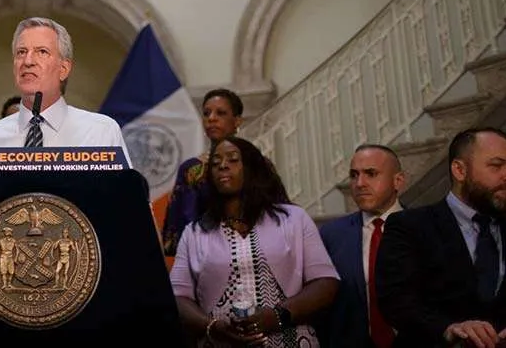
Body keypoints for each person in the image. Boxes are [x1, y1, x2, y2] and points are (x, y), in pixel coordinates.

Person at [171, 136, 339, 347]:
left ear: (252, 168)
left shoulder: (294, 219)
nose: (223, 165)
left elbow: (326, 283)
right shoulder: (194, 232)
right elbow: (178, 297)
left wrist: (276, 316)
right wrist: (212, 326)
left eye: (233, 159)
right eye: (215, 163)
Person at [376, 127, 506, 348]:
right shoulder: (409, 226)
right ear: (459, 170)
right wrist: (448, 329)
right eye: (496, 165)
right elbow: (396, 301)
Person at [0, 17, 131, 164]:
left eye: (42, 52)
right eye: (21, 52)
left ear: (64, 69)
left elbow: (123, 196)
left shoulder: (100, 132)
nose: (28, 61)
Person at [318, 145, 405, 348]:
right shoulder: (331, 235)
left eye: (371, 174)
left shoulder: (424, 228)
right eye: (353, 175)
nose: (360, 183)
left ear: (398, 181)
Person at [161, 88, 244, 257]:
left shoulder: (257, 165)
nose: (211, 118)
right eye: (206, 113)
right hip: (204, 259)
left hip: (253, 253)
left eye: (220, 113)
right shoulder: (191, 170)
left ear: (237, 121)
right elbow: (177, 228)